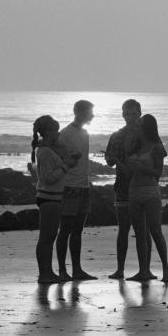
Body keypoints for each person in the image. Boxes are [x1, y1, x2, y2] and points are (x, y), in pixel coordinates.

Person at [29, 115, 74, 284]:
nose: (58, 134)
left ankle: (47, 271)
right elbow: (48, 178)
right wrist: (65, 167)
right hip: (49, 198)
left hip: (50, 197)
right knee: (47, 238)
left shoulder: (46, 150)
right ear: (48, 132)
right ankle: (44, 273)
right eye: (56, 130)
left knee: (49, 237)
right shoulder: (46, 152)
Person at [126, 114, 168, 282]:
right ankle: (143, 270)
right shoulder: (135, 146)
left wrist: (142, 168)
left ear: (146, 127)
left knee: (155, 230)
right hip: (134, 190)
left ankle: (166, 268)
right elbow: (128, 169)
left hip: (150, 190)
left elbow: (158, 173)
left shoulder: (157, 147)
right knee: (139, 233)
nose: (135, 127)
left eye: (138, 125)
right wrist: (128, 167)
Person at [56, 99, 97, 281]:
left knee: (78, 230)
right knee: (65, 229)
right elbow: (58, 159)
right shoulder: (65, 134)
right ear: (78, 112)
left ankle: (77, 269)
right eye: (90, 112)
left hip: (83, 185)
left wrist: (88, 181)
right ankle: (63, 270)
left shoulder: (85, 133)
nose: (92, 115)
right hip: (69, 187)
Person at [104, 99, 143, 279]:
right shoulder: (117, 135)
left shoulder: (146, 135)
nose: (130, 117)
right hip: (122, 186)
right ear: (122, 115)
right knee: (124, 228)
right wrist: (118, 160)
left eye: (134, 113)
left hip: (142, 186)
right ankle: (120, 269)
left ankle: (144, 269)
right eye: (127, 113)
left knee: (142, 229)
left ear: (139, 114)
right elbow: (109, 160)